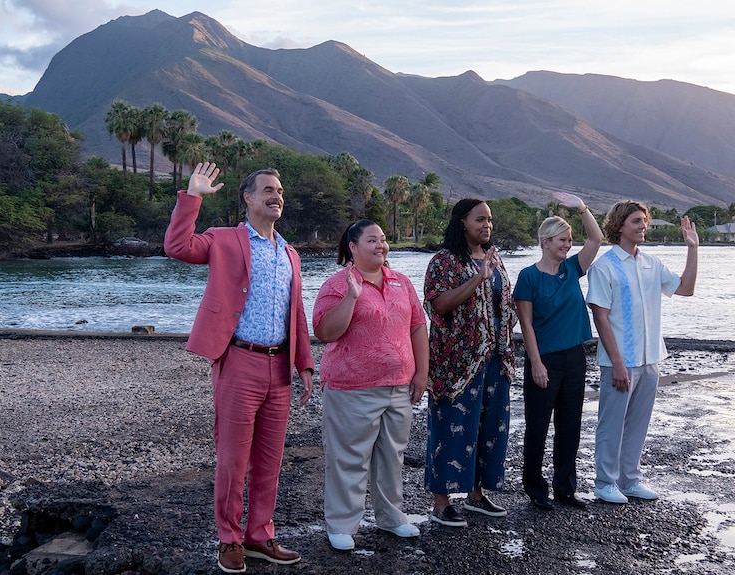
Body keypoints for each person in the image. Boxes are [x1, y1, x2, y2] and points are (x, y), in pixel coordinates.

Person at [164, 162, 314, 573]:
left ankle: (260, 536)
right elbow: (177, 247)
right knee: (232, 460)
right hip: (238, 361)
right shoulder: (224, 239)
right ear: (247, 198)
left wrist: (305, 363)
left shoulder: (290, 253)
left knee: (270, 460)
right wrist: (192, 195)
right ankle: (228, 539)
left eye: (280, 190)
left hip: (279, 365)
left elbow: (294, 310)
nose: (276, 195)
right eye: (267, 189)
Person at [312, 219, 429, 551]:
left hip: (398, 386)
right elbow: (325, 332)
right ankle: (342, 524)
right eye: (372, 240)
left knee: (392, 455)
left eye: (384, 240)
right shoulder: (337, 284)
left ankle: (391, 517)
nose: (381, 245)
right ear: (353, 247)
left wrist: (422, 373)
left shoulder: (400, 282)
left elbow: (418, 328)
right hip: (352, 387)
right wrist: (352, 296)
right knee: (349, 457)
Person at [586, 200, 698, 504]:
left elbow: (686, 288)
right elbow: (600, 317)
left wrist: (692, 248)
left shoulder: (653, 263)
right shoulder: (604, 266)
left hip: (650, 361)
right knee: (612, 424)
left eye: (644, 220)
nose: (643, 226)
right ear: (619, 226)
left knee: (638, 423)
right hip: (619, 362)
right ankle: (605, 483)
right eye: (636, 221)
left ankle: (630, 480)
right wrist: (618, 363)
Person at [423, 198, 518, 528]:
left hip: (495, 358)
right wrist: (478, 279)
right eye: (480, 219)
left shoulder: (496, 260)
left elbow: (503, 305)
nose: (487, 225)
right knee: (450, 428)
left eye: (489, 220)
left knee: (488, 428)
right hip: (456, 364)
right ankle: (441, 502)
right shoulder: (444, 261)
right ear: (462, 221)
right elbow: (439, 305)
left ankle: (477, 497)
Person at [513, 192, 603, 510]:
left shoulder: (572, 271)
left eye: (569, 240)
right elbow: (526, 326)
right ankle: (536, 489)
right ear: (546, 242)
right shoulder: (528, 277)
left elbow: (596, 238)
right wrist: (536, 363)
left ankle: (565, 488)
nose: (568, 245)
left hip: (575, 358)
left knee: (570, 425)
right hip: (544, 359)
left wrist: (581, 208)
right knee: (538, 426)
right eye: (562, 240)